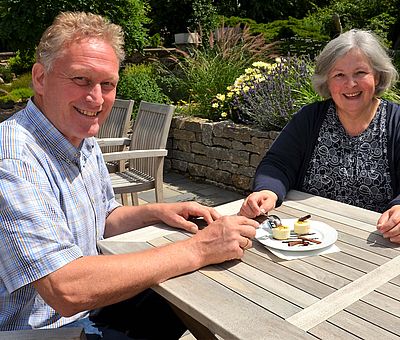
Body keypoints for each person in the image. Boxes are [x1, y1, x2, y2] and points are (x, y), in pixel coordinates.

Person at [0, 12, 259, 338]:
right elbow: (65, 288)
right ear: (40, 78)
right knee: (192, 272)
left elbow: (105, 218)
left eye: (107, 84)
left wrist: (158, 211)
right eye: (81, 79)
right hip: (44, 331)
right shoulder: (13, 158)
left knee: (198, 292)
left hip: (91, 311)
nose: (96, 98)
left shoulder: (81, 137)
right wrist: (199, 249)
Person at [239, 29, 400, 244]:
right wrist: (268, 190)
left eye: (360, 73)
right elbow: (277, 164)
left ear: (377, 76)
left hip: (376, 242)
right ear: (327, 81)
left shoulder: (396, 121)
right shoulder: (309, 118)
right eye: (339, 75)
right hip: (308, 238)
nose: (350, 84)